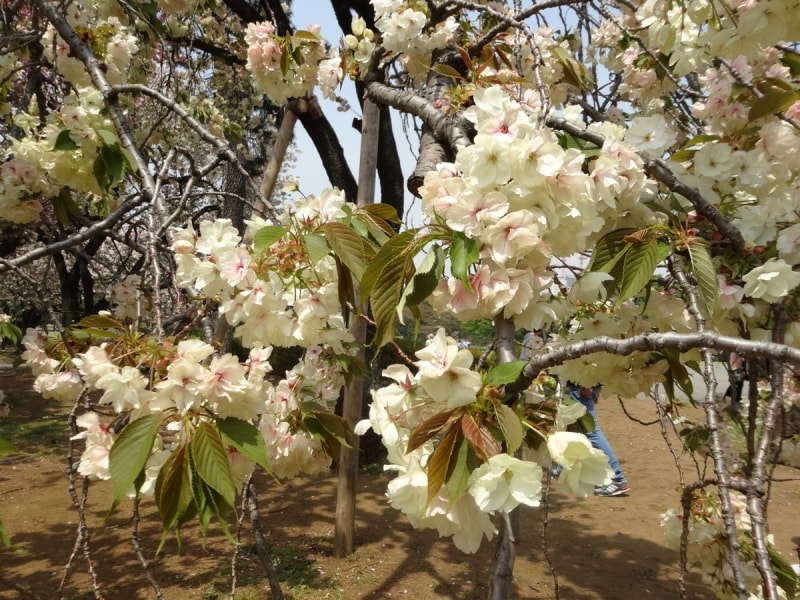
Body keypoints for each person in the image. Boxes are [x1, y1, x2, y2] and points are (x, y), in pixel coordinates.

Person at [566, 381, 631, 497]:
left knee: (591, 431)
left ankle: (617, 479)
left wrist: (587, 384)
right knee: (576, 429)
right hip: (582, 384)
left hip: (580, 385)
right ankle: (563, 468)